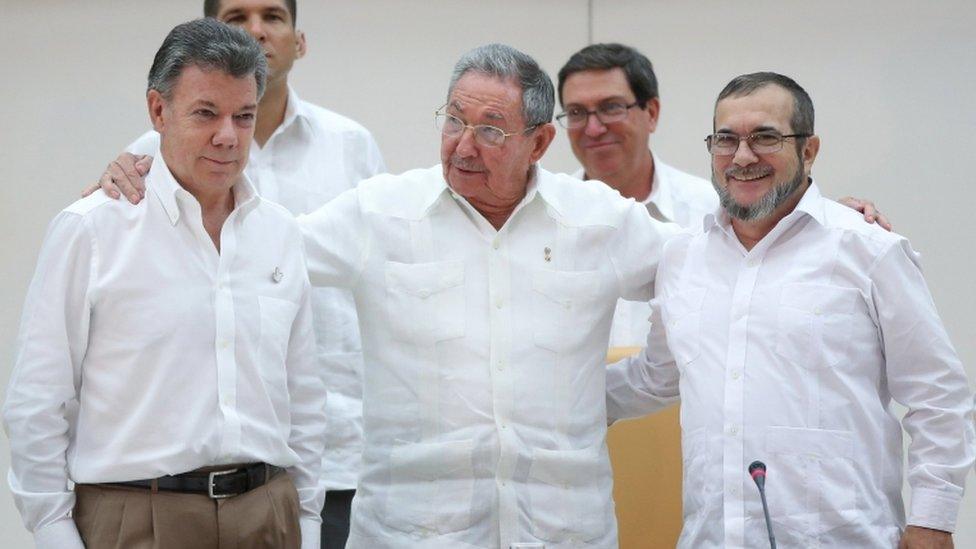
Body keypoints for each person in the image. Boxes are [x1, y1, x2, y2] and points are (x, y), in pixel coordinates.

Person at [93, 42, 679, 548]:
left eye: (492, 130)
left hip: (563, 531)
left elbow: (698, 279)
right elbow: (248, 248)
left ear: (541, 141)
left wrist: (602, 395)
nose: (463, 146)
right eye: (453, 121)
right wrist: (151, 182)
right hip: (412, 531)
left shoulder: (598, 222)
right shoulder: (379, 214)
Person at [605, 72, 975, 548]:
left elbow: (938, 395)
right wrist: (546, 396)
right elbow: (655, 377)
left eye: (765, 137)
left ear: (809, 150)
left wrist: (933, 521)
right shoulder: (682, 257)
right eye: (726, 140)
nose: (742, 156)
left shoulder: (868, 250)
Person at [3, 18, 327, 549]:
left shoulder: (280, 234)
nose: (227, 136)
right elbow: (38, 402)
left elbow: (306, 397)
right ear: (159, 110)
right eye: (206, 113)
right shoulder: (92, 229)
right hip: (137, 518)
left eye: (243, 117)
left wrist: (308, 523)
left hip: (269, 516)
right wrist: (52, 530)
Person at [90, 2, 386, 546]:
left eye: (273, 15)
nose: (256, 30)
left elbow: (385, 277)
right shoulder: (147, 154)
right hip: (193, 468)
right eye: (235, 17)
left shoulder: (352, 144)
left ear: (300, 41)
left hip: (341, 450)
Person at [557, 43, 890, 347]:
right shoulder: (547, 218)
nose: (593, 128)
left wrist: (836, 218)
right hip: (590, 411)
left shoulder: (719, 209)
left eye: (611, 107)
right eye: (576, 113)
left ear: (652, 113)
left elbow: (796, 238)